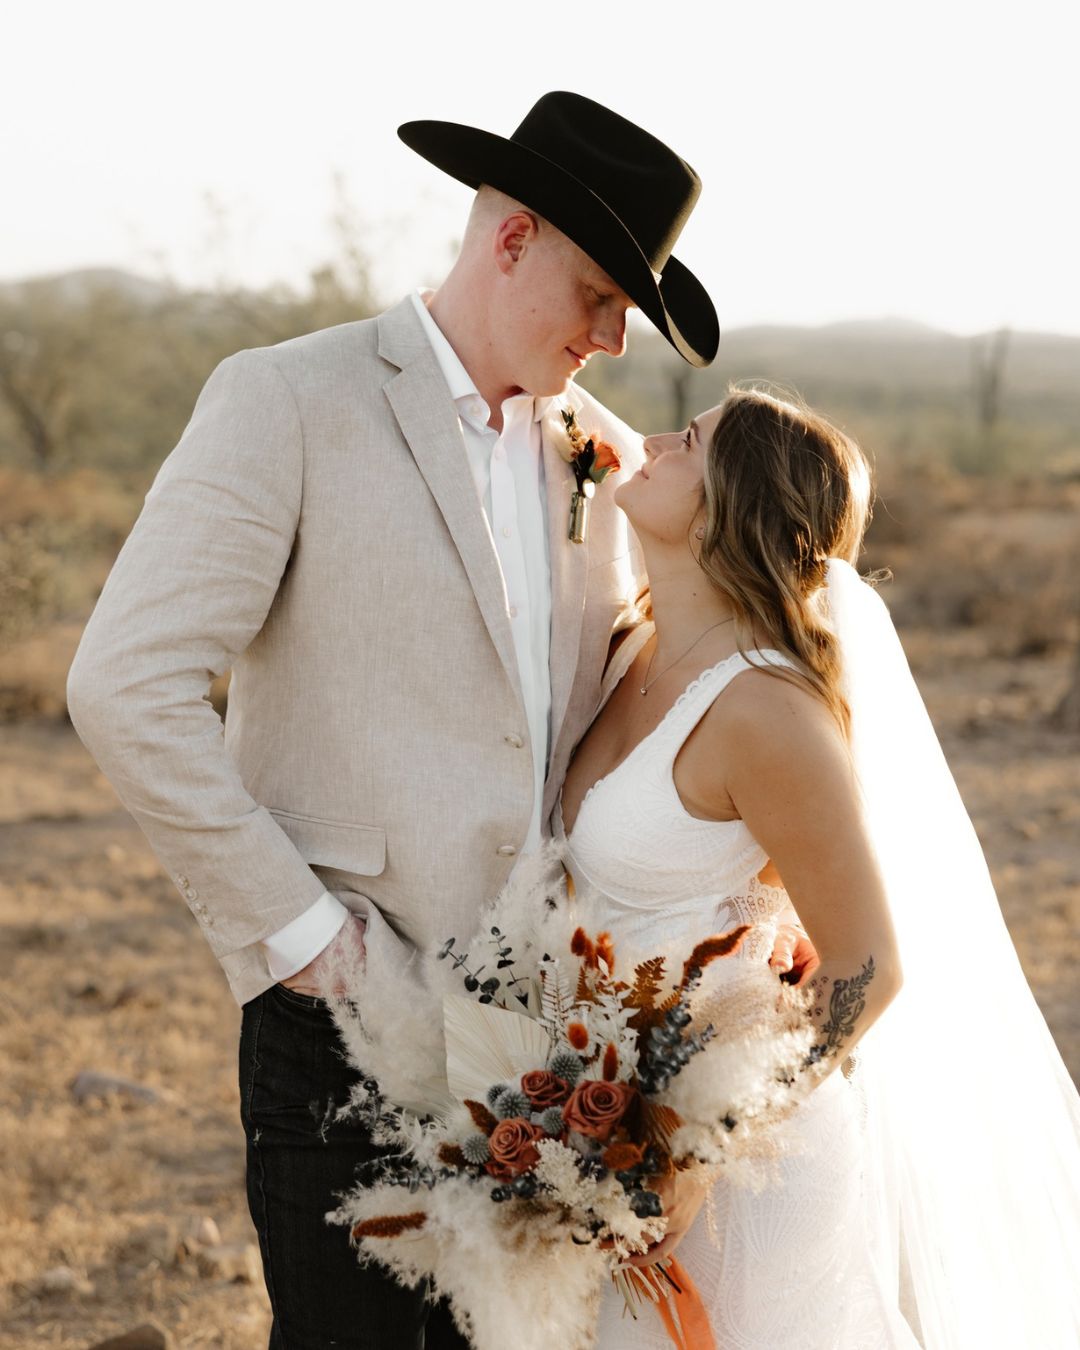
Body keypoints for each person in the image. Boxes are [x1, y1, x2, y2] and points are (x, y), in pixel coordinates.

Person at [65, 91, 807, 1350]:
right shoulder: (287, 399)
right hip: (338, 1024)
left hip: (547, 1059)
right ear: (512, 239)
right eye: (602, 296)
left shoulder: (603, 457)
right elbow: (124, 684)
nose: (617, 339)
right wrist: (302, 940)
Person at [556, 386, 1080, 1348]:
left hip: (742, 1184)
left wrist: (699, 1152)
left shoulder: (767, 711)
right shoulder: (630, 650)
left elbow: (868, 965)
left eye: (690, 440)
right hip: (607, 1132)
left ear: (730, 508)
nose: (655, 441)